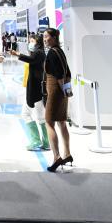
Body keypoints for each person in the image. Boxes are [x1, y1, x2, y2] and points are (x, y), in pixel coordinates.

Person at [10, 32, 50, 152]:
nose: (30, 43)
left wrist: (18, 54)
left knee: (31, 115)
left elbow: (31, 60)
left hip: (36, 90)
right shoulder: (39, 52)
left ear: (37, 42)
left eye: (32, 41)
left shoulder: (39, 53)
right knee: (37, 116)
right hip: (35, 88)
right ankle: (45, 142)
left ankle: (37, 140)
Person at [42, 27, 73, 172]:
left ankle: (56, 156)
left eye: (46, 36)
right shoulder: (60, 51)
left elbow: (59, 75)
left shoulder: (52, 53)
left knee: (49, 122)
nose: (44, 39)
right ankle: (67, 154)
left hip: (56, 90)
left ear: (54, 37)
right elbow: (68, 73)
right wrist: (66, 91)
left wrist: (61, 90)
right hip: (63, 90)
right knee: (62, 122)